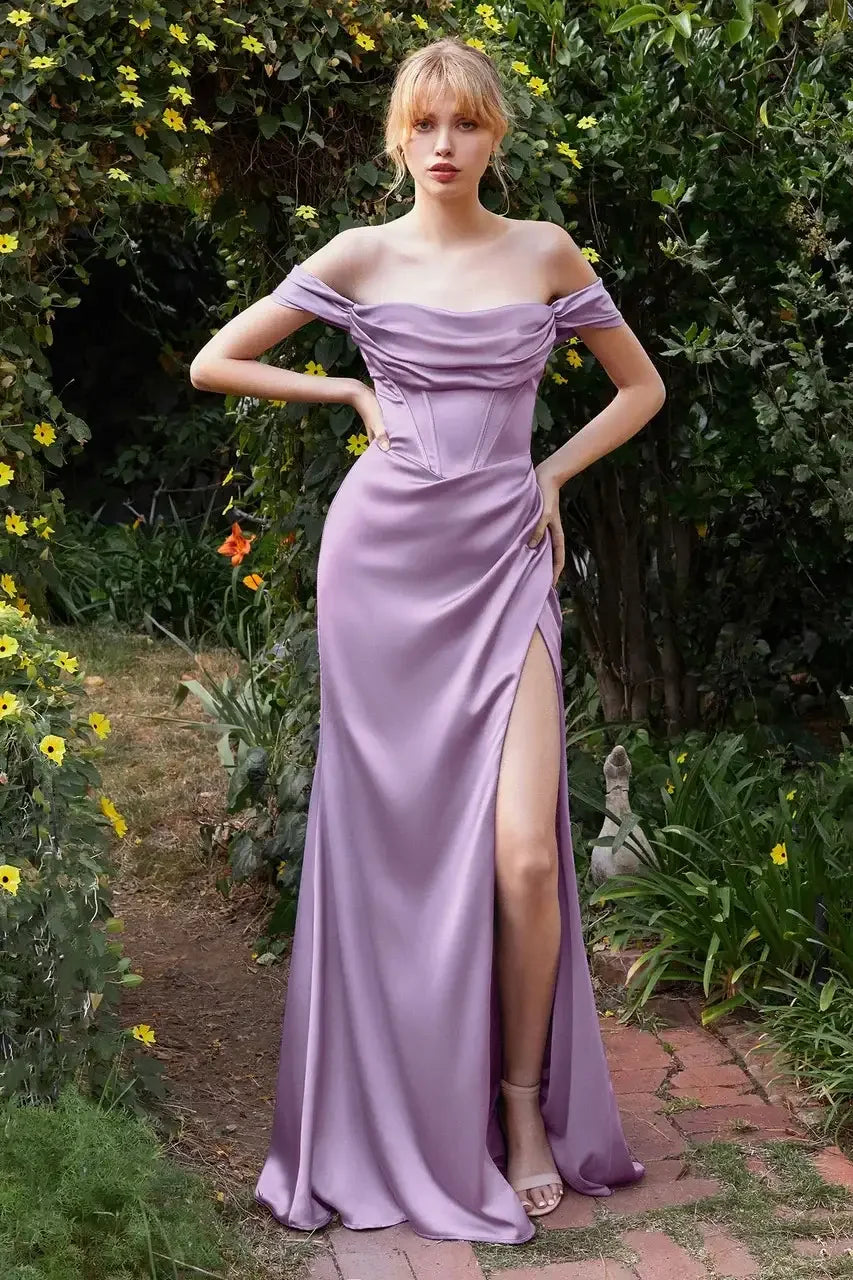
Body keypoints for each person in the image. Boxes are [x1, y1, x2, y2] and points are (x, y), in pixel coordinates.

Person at [190, 35, 665, 1246]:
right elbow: (215, 360)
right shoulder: (359, 255)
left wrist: (549, 472)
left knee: (520, 858)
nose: (444, 144)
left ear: (495, 136)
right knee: (390, 848)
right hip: (382, 571)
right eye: (424, 124)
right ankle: (396, 1102)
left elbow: (640, 387)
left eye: (466, 124)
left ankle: (518, 1109)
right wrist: (348, 393)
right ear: (398, 137)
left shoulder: (542, 252)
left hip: (504, 565)